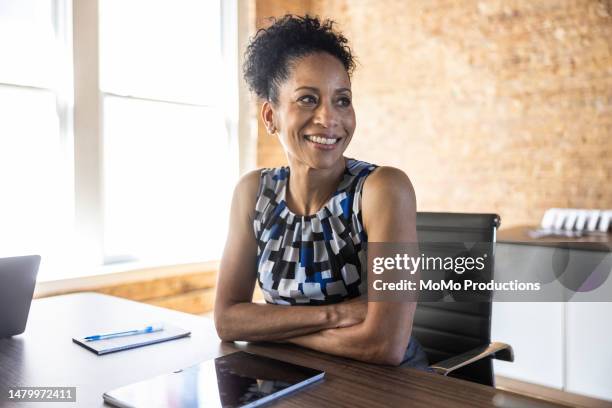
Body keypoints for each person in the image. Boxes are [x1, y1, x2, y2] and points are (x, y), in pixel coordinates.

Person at [214, 15, 427, 367]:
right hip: (292, 377)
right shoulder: (253, 193)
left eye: (342, 100)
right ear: (271, 116)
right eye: (308, 99)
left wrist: (268, 327)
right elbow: (226, 320)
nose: (329, 118)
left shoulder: (384, 189)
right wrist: (340, 314)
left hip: (388, 385)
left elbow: (385, 344)